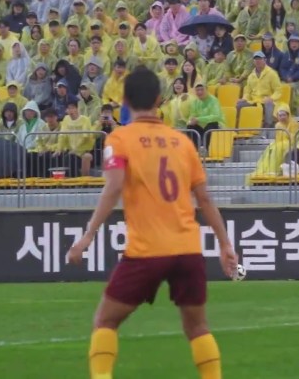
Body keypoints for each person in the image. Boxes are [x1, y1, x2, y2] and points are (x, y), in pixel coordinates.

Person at [66, 67, 238, 379]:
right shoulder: (182, 142)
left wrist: (87, 235)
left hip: (147, 251)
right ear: (160, 99)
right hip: (187, 249)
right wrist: (225, 244)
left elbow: (114, 186)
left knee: (105, 321)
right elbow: (206, 200)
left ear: (124, 100)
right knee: (198, 327)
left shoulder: (118, 139)